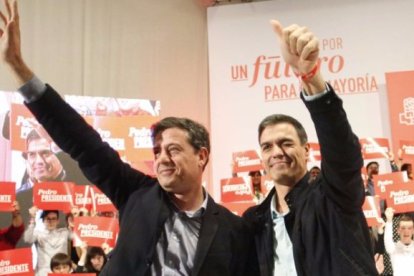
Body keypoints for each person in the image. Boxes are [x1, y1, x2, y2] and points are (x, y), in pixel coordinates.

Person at [0, 1, 258, 275]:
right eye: (157, 151)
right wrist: (18, 66)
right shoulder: (136, 193)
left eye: (173, 149)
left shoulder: (234, 229)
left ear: (202, 156)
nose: (162, 159)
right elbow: (82, 141)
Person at [242, 21, 377, 275]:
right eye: (267, 147)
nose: (277, 152)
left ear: (306, 151)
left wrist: (311, 78)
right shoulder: (253, 220)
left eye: (286, 143)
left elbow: (343, 153)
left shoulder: (332, 197)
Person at [23, 207, 71, 276]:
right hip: (43, 273)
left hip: (62, 272)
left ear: (58, 221)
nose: (51, 221)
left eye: (53, 219)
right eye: (48, 219)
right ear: (43, 220)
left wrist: (76, 216)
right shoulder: (38, 234)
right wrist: (32, 219)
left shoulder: (65, 232)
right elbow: (27, 239)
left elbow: (79, 237)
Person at [384, 208, 414, 276]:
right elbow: (387, 239)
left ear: (413, 230)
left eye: (409, 228)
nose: (406, 231)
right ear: (398, 231)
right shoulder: (393, 248)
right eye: (403, 228)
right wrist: (389, 220)